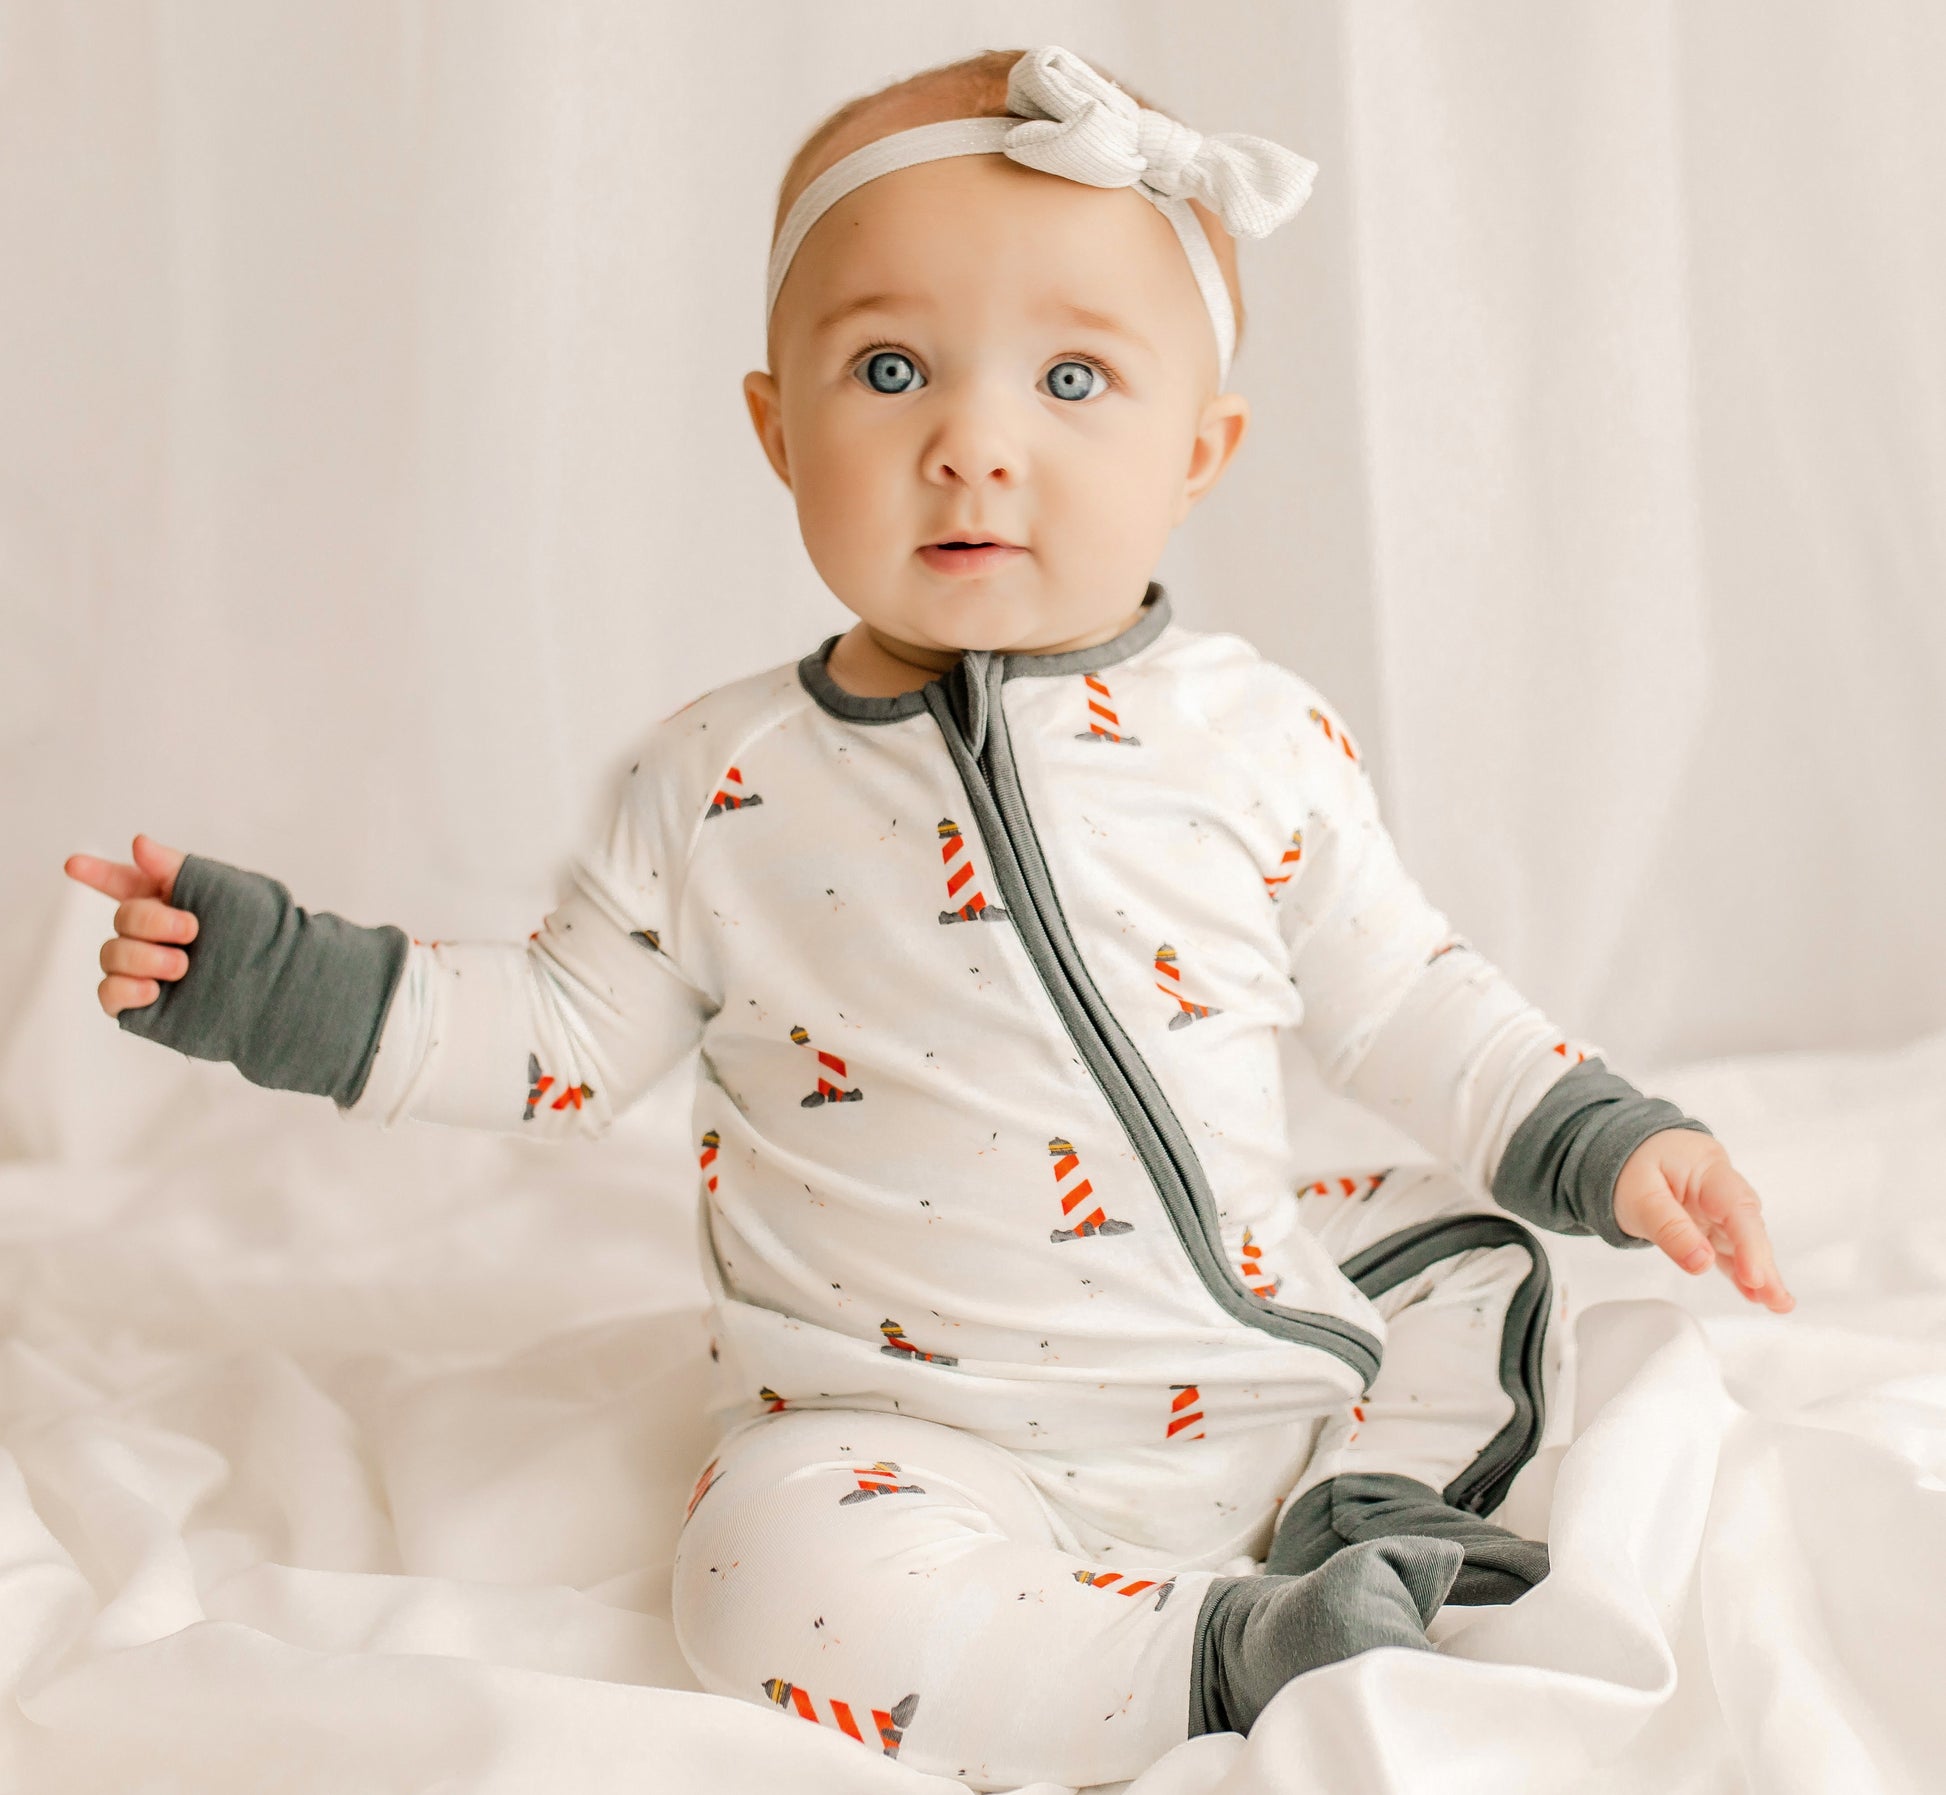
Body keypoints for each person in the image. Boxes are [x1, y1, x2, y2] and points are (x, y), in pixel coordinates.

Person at [63, 44, 1794, 1792]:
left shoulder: (1253, 738)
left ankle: (1358, 1510)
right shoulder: (717, 778)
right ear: (774, 428)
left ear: (1200, 452)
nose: (972, 444)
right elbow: (559, 1043)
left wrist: (1605, 1135)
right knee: (758, 1585)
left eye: (1070, 378)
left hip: (1254, 1352)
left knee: (1474, 1253)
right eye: (889, 372)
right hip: (902, 1431)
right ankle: (1207, 1653)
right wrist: (266, 980)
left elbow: (1402, 999)